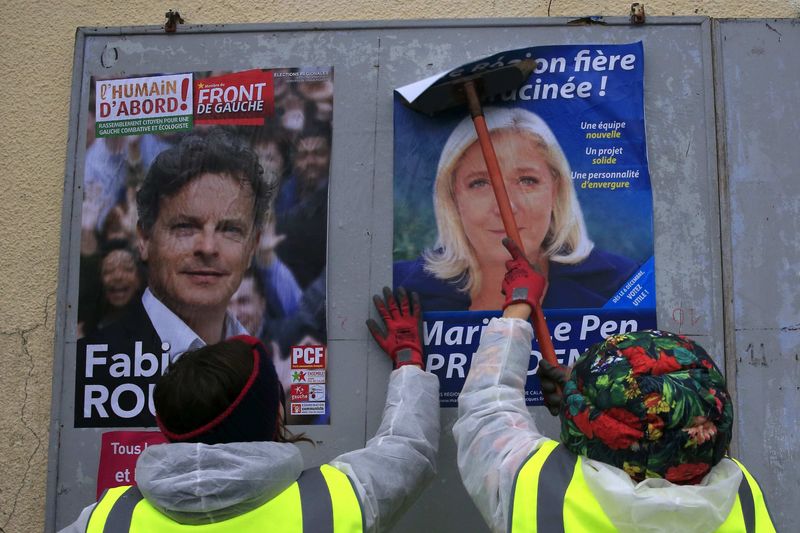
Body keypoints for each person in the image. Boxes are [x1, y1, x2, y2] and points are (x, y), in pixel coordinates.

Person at [452, 238, 775, 532]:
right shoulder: (741, 493)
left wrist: (518, 306)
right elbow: (666, 435)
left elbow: (486, 409)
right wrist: (583, 412)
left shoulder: (535, 484)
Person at [60, 288, 439, 532]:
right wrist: (408, 359)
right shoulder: (333, 502)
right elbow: (407, 449)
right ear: (275, 416)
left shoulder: (108, 521)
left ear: (169, 429)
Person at [75, 128, 276, 427]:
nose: (208, 247)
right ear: (144, 238)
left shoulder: (263, 372)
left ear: (252, 248)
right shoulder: (86, 368)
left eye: (230, 230)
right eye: (185, 227)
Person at [394, 106, 638, 311]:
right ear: (452, 197)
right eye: (480, 183)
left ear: (556, 190)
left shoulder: (623, 285)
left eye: (527, 181)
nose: (506, 207)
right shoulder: (400, 291)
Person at [275, 123, 331, 288]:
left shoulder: (339, 198)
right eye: (303, 155)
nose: (310, 161)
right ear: (294, 161)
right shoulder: (281, 198)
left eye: (318, 154)